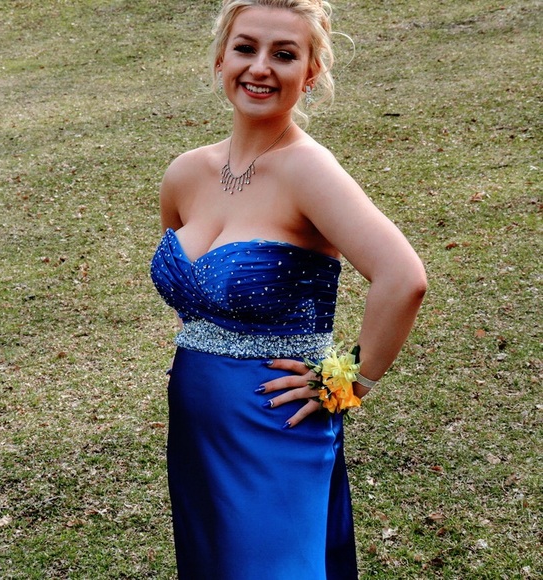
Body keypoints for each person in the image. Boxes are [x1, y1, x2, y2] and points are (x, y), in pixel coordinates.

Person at [150, 0, 427, 578]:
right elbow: (194, 299)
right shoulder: (185, 174)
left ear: (311, 72)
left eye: (283, 54)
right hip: (198, 414)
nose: (260, 68)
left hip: (277, 417)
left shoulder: (308, 170)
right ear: (221, 58)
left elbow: (403, 279)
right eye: (245, 48)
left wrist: (350, 383)